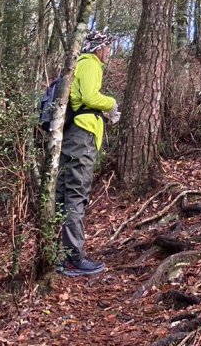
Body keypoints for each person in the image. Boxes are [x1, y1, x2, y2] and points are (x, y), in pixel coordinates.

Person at [55, 29, 119, 276]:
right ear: (98, 48)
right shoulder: (91, 64)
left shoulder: (78, 65)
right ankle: (73, 258)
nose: (108, 52)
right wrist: (111, 104)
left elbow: (80, 98)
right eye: (106, 47)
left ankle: (60, 255)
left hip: (71, 135)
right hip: (81, 138)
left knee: (63, 194)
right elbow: (91, 96)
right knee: (75, 194)